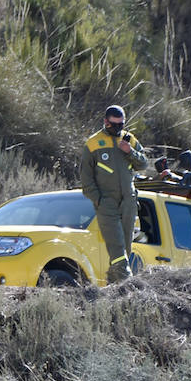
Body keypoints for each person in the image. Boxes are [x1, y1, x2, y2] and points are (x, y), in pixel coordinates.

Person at [79, 104, 148, 283]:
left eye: (121, 125)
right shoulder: (93, 143)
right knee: (117, 248)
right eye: (113, 125)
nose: (117, 129)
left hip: (128, 202)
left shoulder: (129, 140)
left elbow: (143, 164)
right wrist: (99, 201)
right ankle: (130, 285)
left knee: (125, 247)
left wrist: (129, 152)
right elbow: (86, 179)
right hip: (106, 203)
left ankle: (113, 287)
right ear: (105, 122)